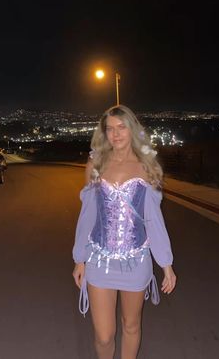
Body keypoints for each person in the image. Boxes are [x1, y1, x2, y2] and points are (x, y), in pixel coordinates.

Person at [73, 105, 176, 359]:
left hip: (137, 261)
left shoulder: (146, 168)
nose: (115, 134)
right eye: (110, 129)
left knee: (131, 325)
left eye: (121, 127)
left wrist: (166, 264)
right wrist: (79, 258)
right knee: (104, 335)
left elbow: (153, 220)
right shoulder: (95, 164)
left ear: (132, 129)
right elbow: (88, 215)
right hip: (99, 261)